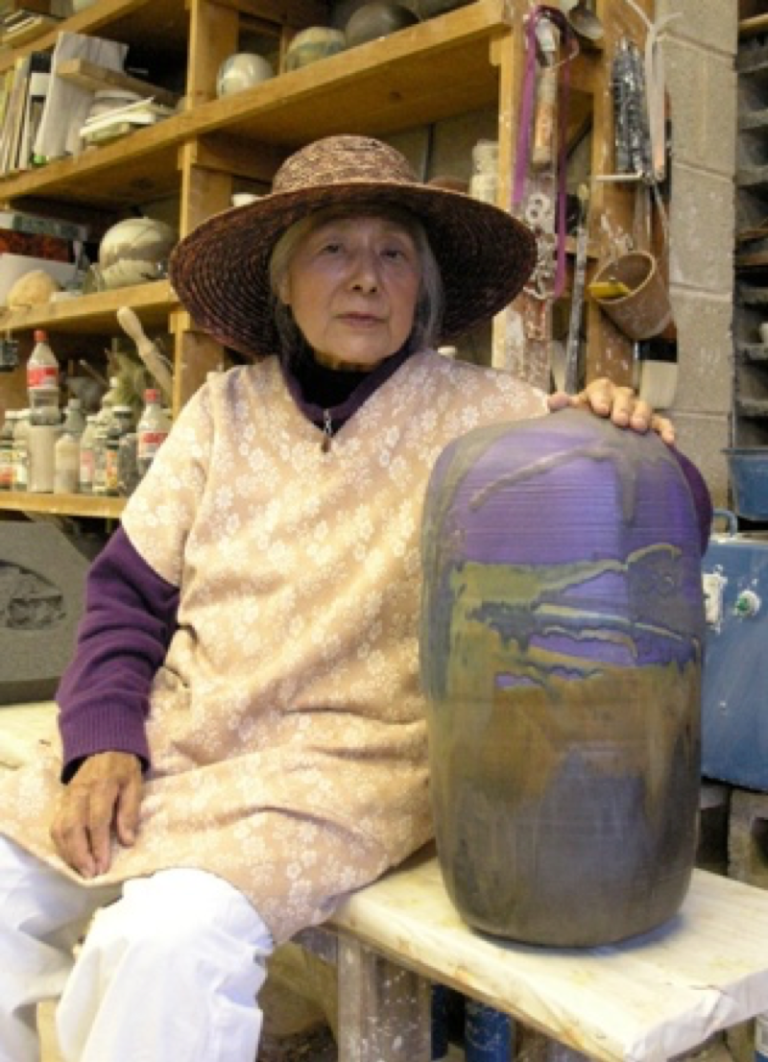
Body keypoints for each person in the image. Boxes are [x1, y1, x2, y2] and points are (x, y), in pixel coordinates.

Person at [0, 135, 709, 1062]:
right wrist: (100, 742)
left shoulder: (486, 417)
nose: (366, 279)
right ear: (285, 284)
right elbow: (127, 599)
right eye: (335, 249)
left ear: (423, 291)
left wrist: (636, 439)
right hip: (182, 736)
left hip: (344, 764)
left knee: (163, 941)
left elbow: (659, 516)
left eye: (394, 255)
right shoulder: (222, 413)